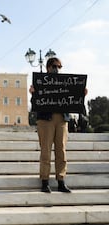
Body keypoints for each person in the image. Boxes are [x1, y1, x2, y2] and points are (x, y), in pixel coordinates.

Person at [30, 57, 87, 193]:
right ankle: (45, 181)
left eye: (59, 67)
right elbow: (35, 103)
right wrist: (33, 93)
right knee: (46, 150)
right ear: (48, 67)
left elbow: (75, 100)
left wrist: (82, 93)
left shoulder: (66, 82)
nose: (57, 69)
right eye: (55, 66)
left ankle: (61, 179)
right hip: (45, 119)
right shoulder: (40, 82)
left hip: (62, 118)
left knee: (61, 150)